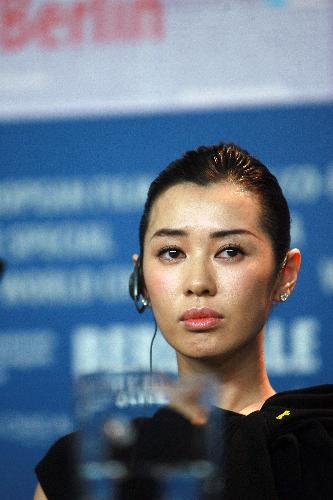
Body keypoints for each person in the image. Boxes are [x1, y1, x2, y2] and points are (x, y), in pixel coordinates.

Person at [34, 142, 333, 499]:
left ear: (285, 273)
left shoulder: (323, 434)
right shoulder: (81, 469)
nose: (198, 283)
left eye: (230, 251)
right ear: (141, 277)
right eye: (172, 252)